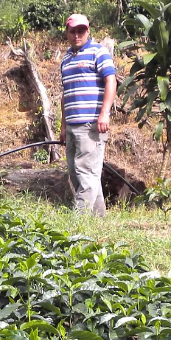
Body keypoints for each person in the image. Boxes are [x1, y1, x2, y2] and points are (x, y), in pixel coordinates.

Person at [60, 13, 117, 217]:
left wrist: (104, 114)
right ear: (67, 33)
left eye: (81, 31)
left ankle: (78, 221)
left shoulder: (98, 52)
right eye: (73, 31)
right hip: (73, 125)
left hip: (92, 125)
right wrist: (63, 126)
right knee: (78, 174)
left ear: (88, 31)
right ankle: (98, 219)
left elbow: (111, 81)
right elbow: (66, 94)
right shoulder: (66, 59)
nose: (77, 35)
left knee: (86, 173)